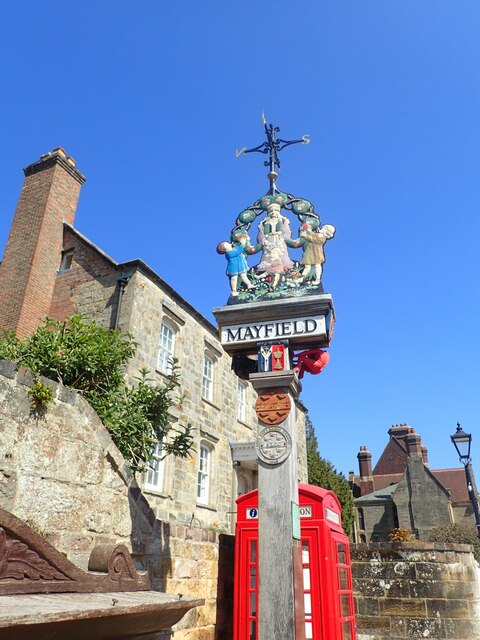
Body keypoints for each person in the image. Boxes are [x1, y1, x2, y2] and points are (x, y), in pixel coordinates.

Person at [255, 203, 293, 289]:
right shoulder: (265, 223)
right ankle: (268, 272)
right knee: (268, 254)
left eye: (275, 211)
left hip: (279, 239)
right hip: (269, 239)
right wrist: (264, 239)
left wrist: (282, 237)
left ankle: (283, 269)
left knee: (281, 253)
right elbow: (261, 234)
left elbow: (287, 232)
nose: (273, 213)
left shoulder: (282, 221)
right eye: (271, 211)